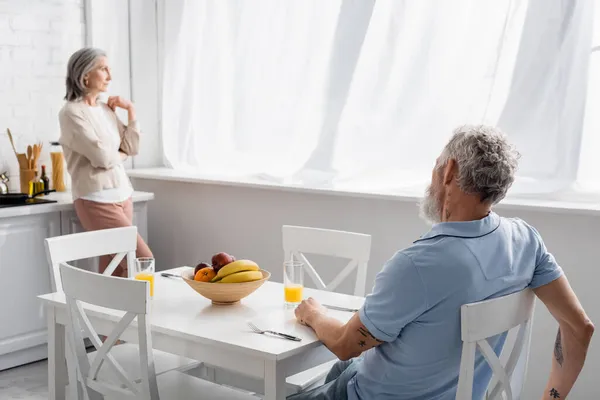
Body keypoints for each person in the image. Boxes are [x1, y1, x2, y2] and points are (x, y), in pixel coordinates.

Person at [290, 125, 594, 400]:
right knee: (346, 367)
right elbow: (579, 327)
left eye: (436, 165)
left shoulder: (416, 265)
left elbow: (344, 342)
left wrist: (314, 314)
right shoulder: (526, 240)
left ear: (449, 170)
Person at [58, 47, 153, 277]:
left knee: (115, 272)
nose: (109, 75)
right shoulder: (71, 113)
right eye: (103, 69)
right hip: (96, 201)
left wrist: (130, 110)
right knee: (141, 260)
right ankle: (147, 313)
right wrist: (119, 156)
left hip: (123, 196)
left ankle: (106, 313)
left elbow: (132, 147)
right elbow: (102, 157)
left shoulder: (104, 109)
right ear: (85, 75)